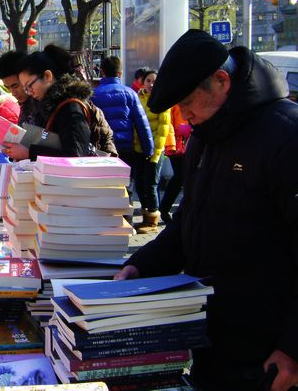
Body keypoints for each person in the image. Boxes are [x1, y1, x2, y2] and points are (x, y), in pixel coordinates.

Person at [115, 29, 298, 391]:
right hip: (212, 331)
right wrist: (141, 265)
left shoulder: (285, 136)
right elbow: (190, 219)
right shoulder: (207, 136)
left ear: (221, 81)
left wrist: (293, 348)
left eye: (187, 104)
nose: (184, 117)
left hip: (269, 347)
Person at [3, 45, 116, 161]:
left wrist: (29, 153)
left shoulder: (71, 108)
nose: (29, 92)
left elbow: (75, 156)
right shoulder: (47, 105)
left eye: (29, 85)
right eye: (25, 88)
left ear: (47, 76)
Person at [90, 55, 154, 174]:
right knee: (124, 184)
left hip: (102, 148)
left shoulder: (94, 95)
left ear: (102, 72)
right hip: (126, 147)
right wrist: (149, 150)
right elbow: (142, 124)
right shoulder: (130, 93)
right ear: (120, 73)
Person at [132, 68, 171, 234]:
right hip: (139, 149)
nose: (151, 84)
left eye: (154, 81)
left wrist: (156, 153)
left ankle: (153, 220)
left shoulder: (162, 100)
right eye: (148, 80)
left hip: (155, 150)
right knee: (139, 184)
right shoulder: (139, 98)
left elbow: (164, 129)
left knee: (151, 184)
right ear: (143, 82)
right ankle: (144, 215)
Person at [159, 104, 191, 223]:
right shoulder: (175, 99)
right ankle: (165, 209)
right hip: (178, 143)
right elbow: (169, 121)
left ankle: (168, 209)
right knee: (180, 177)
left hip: (189, 140)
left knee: (185, 177)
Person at [0, 50, 40, 126]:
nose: (13, 93)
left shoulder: (43, 106)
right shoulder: (25, 105)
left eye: (15, 86)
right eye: (7, 88)